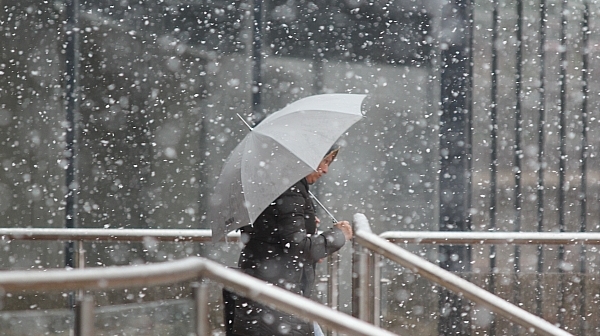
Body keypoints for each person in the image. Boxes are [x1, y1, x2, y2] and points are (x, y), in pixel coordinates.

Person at [228, 146, 353, 336]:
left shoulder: (279, 186)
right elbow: (297, 246)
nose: (326, 170)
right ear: (306, 158)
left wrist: (307, 226)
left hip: (265, 296)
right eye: (324, 161)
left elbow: (275, 234)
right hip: (277, 302)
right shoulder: (290, 191)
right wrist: (338, 236)